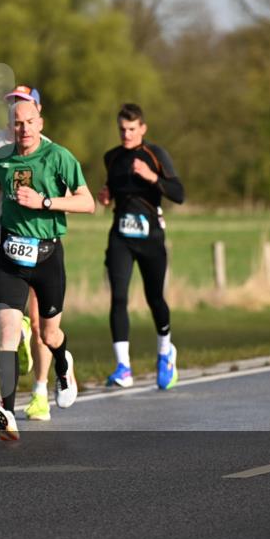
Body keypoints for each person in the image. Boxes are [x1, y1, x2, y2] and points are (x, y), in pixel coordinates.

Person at [0, 95, 95, 440]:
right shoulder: (1, 158)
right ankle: (7, 411)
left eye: (29, 122)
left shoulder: (58, 157)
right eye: (17, 123)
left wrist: (45, 202)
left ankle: (63, 362)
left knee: (48, 333)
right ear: (10, 127)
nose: (23, 129)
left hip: (47, 256)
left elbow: (87, 203)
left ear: (40, 123)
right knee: (8, 330)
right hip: (11, 255)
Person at [0, 86, 53, 421]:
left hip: (37, 245)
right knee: (1, 317)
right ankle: (16, 339)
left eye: (23, 105)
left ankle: (40, 393)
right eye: (12, 104)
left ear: (37, 112)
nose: (16, 110)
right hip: (3, 242)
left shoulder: (47, 150)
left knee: (39, 324)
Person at [98, 103, 185, 390]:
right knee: (119, 298)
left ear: (143, 129)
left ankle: (165, 352)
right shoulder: (111, 157)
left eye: (132, 129)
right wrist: (107, 195)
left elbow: (179, 193)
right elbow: (113, 188)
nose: (127, 134)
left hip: (151, 237)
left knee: (154, 298)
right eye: (122, 129)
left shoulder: (155, 155)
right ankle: (123, 367)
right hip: (121, 235)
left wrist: (152, 177)